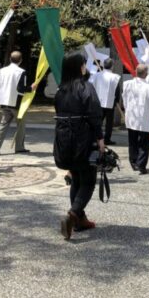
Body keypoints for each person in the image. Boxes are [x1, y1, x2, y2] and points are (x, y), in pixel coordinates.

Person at [53, 52, 105, 240]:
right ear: (79, 67)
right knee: (88, 180)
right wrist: (100, 139)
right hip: (83, 137)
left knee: (75, 176)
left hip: (64, 138)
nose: (85, 67)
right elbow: (94, 114)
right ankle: (72, 214)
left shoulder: (61, 90)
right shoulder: (85, 87)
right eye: (83, 64)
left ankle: (80, 220)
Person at [0, 51, 36, 155]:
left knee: (3, 124)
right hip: (16, 102)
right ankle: (19, 147)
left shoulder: (2, 70)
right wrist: (31, 88)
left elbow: (0, 86)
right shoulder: (21, 72)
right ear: (20, 60)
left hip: (4, 101)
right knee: (20, 125)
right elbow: (21, 89)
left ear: (10, 59)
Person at [121, 64, 149, 175]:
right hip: (143, 117)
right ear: (146, 74)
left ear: (136, 72)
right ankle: (141, 164)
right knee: (144, 142)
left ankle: (134, 162)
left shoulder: (127, 84)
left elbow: (123, 98)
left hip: (132, 116)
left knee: (132, 141)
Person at [90, 58, 121, 145]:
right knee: (109, 123)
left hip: (97, 101)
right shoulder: (115, 77)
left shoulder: (96, 75)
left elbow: (91, 87)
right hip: (109, 102)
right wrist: (116, 101)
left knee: (98, 121)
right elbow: (117, 90)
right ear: (112, 66)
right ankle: (107, 139)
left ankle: (95, 137)